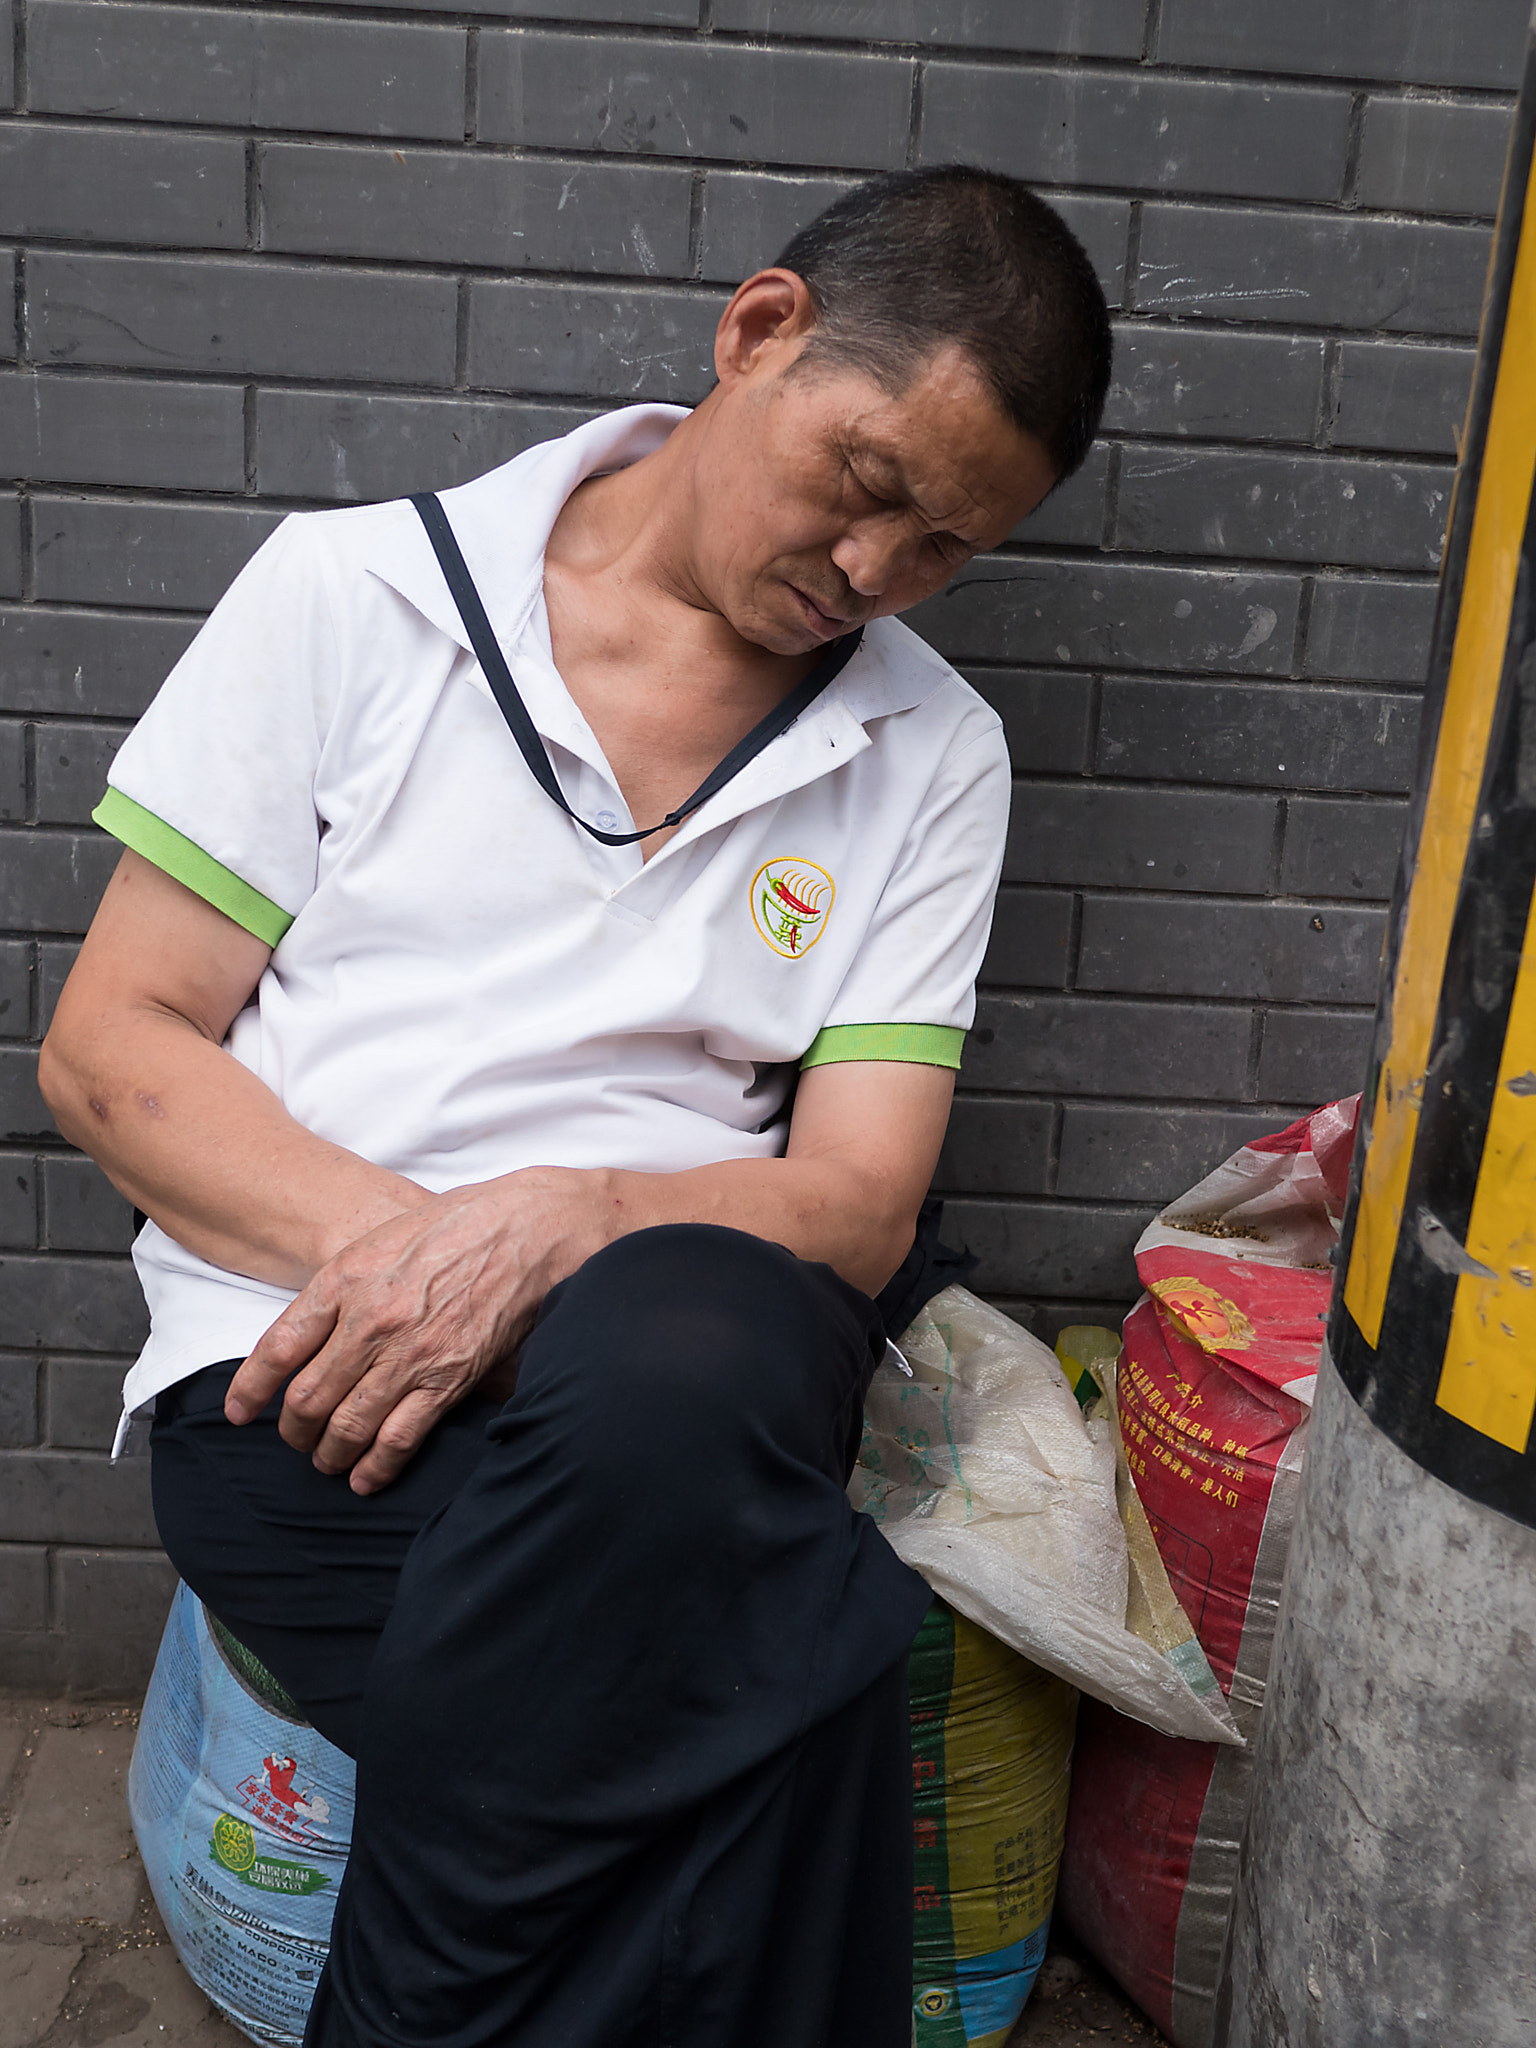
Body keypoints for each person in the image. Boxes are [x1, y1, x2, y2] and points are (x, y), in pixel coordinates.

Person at [40, 165, 1111, 2048]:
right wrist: (428, 1261)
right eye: (867, 486)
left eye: (944, 548)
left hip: (694, 1336)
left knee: (670, 1357)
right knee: (782, 1689)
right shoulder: (354, 599)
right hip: (314, 1355)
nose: (872, 574)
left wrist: (574, 1221)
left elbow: (857, 1204)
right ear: (760, 330)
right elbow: (116, 1050)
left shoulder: (933, 751)